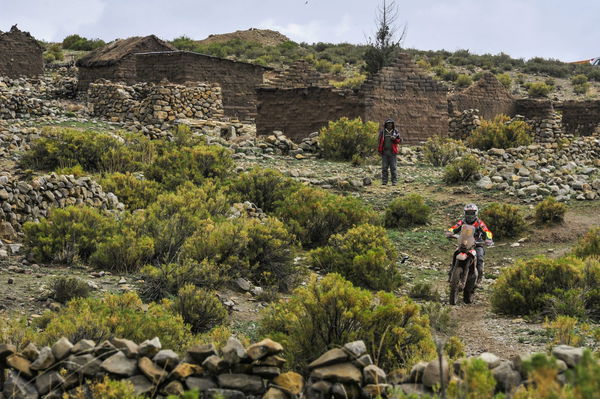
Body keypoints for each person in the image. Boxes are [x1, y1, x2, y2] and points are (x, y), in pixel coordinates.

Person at [446, 204, 493, 285]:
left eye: (472, 213)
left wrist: (489, 239)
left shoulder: (479, 223)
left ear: (476, 213)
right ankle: (451, 273)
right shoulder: (462, 222)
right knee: (455, 253)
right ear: (465, 213)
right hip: (464, 243)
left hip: (477, 244)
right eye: (468, 213)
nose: (470, 215)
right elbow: (454, 227)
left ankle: (479, 278)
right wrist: (450, 232)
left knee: (480, 258)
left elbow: (486, 231)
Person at [377, 118, 402, 186]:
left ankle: (394, 181)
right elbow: (379, 141)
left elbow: (400, 140)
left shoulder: (395, 132)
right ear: (386, 124)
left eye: (391, 123)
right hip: (384, 153)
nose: (389, 125)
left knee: (393, 167)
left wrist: (395, 139)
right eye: (388, 123)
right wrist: (379, 150)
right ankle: (384, 181)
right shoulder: (383, 132)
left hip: (392, 153)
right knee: (384, 167)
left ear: (392, 124)